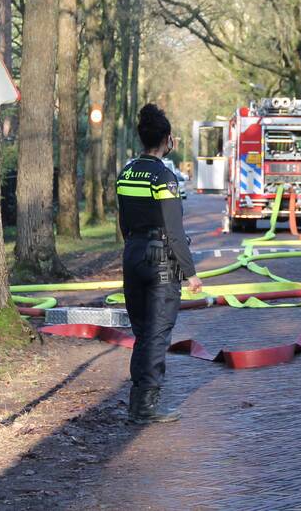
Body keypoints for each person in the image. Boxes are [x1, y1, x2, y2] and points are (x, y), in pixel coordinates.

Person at [116, 104, 203, 422]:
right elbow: (174, 229)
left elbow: (124, 220)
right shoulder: (164, 177)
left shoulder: (126, 172)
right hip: (161, 260)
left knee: (141, 331)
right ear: (167, 139)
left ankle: (137, 401)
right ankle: (145, 407)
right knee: (156, 334)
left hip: (133, 254)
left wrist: (133, 250)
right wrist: (190, 273)